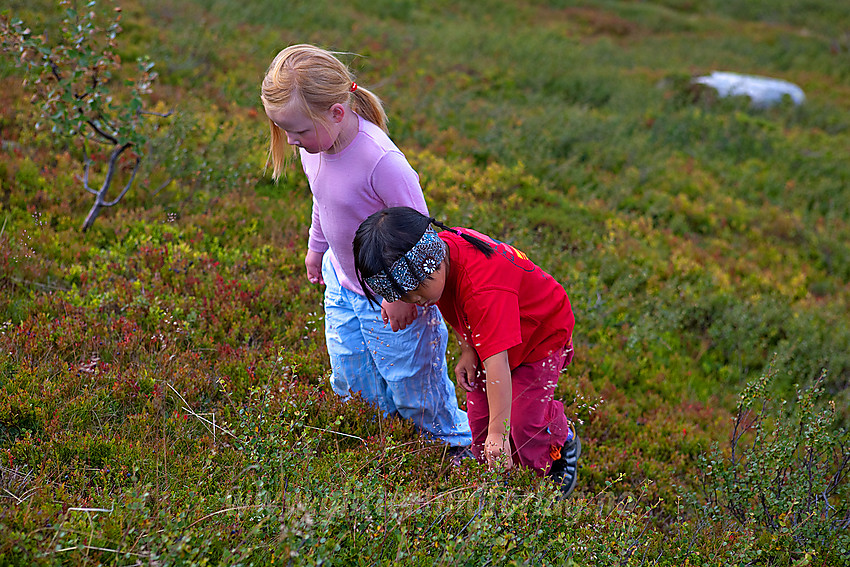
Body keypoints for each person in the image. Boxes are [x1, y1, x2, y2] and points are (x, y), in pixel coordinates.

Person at [260, 44, 471, 450]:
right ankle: (384, 450)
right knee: (353, 380)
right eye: (284, 129)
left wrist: (397, 294)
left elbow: (419, 238)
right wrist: (315, 248)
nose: (290, 140)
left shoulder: (381, 161)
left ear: (336, 113)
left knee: (415, 391)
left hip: (395, 294)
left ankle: (452, 447)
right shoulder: (314, 147)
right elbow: (324, 201)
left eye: (299, 130)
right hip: (344, 284)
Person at [353, 206, 581, 497]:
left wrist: (500, 435)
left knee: (525, 426)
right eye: (406, 296)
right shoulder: (440, 259)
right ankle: (497, 483)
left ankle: (548, 467)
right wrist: (468, 349)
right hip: (492, 336)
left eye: (417, 292)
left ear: (432, 263)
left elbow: (497, 365)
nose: (417, 301)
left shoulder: (483, 288)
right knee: (480, 421)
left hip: (540, 337)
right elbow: (458, 307)